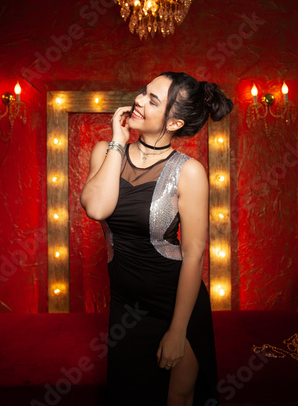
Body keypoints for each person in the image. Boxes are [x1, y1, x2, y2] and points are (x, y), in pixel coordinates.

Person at [80, 72, 233, 406]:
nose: (138, 100)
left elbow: (193, 255)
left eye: (153, 100)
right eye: (143, 93)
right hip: (125, 305)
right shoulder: (106, 151)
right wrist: (118, 141)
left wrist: (178, 332)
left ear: (175, 122)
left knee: (177, 396)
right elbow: (96, 207)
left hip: (176, 304)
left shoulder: (189, 172)